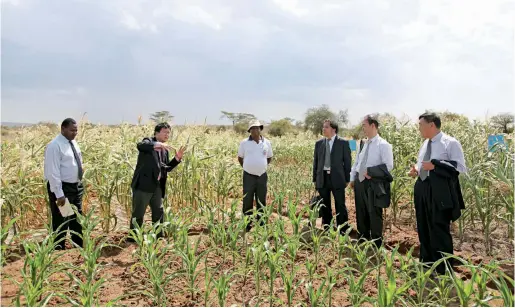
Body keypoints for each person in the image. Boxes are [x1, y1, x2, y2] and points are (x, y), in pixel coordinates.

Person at [409, 112, 466, 275]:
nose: (419, 128)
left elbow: (459, 167)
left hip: (439, 192)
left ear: (431, 124)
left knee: (438, 228)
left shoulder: (450, 143)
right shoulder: (425, 144)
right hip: (422, 188)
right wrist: (416, 170)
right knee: (423, 227)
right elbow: (423, 165)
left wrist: (436, 166)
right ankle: (427, 264)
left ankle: (443, 269)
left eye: (421, 124)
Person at [129, 122, 186, 239]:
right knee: (138, 213)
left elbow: (166, 168)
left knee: (159, 213)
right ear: (156, 133)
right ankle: (134, 238)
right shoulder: (148, 142)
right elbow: (140, 146)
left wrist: (177, 158)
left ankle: (158, 236)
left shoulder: (165, 150)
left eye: (169, 133)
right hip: (143, 186)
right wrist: (157, 144)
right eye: (165, 132)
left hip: (157, 186)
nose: (167, 135)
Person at [349, 115, 393, 247]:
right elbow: (357, 162)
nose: (363, 128)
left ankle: (375, 243)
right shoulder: (362, 143)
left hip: (374, 183)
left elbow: (389, 166)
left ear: (373, 126)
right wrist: (353, 178)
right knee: (361, 211)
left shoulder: (384, 145)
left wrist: (370, 171)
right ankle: (362, 239)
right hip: (360, 182)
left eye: (364, 125)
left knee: (374, 213)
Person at [44, 118, 84, 250]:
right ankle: (58, 249)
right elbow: (53, 172)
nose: (75, 133)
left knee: (76, 219)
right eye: (72, 130)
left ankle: (78, 247)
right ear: (63, 129)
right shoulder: (55, 146)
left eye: (76, 130)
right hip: (62, 188)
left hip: (75, 187)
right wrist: (59, 194)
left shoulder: (73, 142)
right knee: (62, 219)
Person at [312, 119, 352, 233]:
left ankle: (342, 229)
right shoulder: (319, 143)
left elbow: (347, 162)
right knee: (325, 205)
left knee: (340, 204)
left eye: (326, 127)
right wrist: (315, 178)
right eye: (323, 127)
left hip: (338, 178)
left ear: (333, 129)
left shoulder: (343, 143)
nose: (323, 129)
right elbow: (316, 162)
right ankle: (327, 227)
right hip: (322, 178)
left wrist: (347, 179)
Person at [237, 120, 273, 231]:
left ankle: (261, 223)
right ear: (249, 131)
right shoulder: (244, 143)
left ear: (260, 129)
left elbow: (269, 157)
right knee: (247, 199)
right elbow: (240, 158)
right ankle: (247, 224)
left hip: (262, 175)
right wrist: (248, 168)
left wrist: (261, 166)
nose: (255, 130)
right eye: (252, 128)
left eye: (257, 128)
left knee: (261, 199)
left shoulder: (267, 142)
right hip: (248, 176)